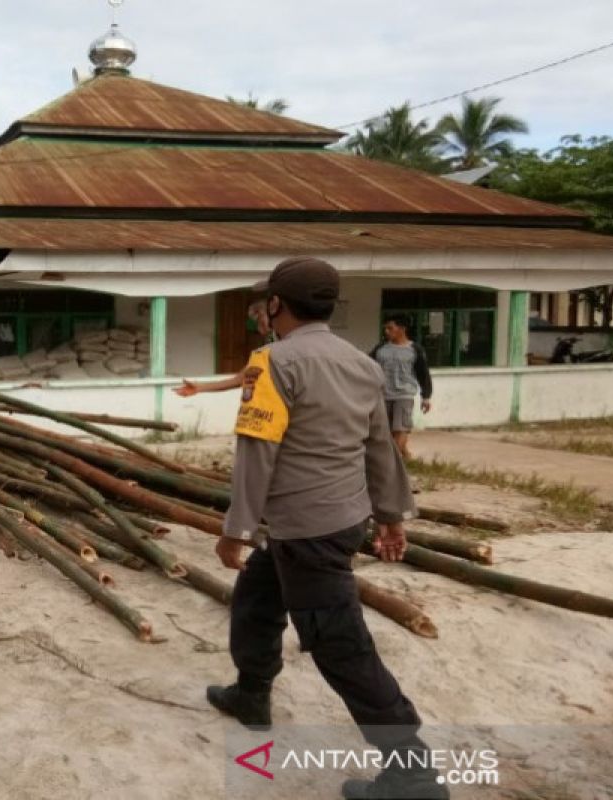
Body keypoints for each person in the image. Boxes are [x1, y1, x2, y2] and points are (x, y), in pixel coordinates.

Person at [206, 257, 447, 800]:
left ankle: (412, 772)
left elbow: (256, 451)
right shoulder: (362, 364)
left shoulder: (270, 363)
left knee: (342, 647)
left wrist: (236, 528)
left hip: (305, 531)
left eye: (266, 301)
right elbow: (380, 447)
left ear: (275, 305)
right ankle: (252, 692)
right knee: (257, 600)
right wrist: (389, 517)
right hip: (340, 520)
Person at [175, 299, 272, 398]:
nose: (259, 324)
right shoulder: (262, 352)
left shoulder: (282, 347)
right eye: (256, 319)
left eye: (260, 315)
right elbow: (239, 380)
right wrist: (200, 387)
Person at [371, 315, 434, 460]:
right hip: (383, 395)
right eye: (385, 328)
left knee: (400, 428)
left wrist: (426, 396)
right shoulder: (380, 348)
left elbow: (423, 373)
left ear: (402, 329)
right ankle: (405, 455)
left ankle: (390, 461)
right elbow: (369, 366)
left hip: (404, 395)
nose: (387, 331)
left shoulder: (414, 350)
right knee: (385, 431)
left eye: (390, 328)